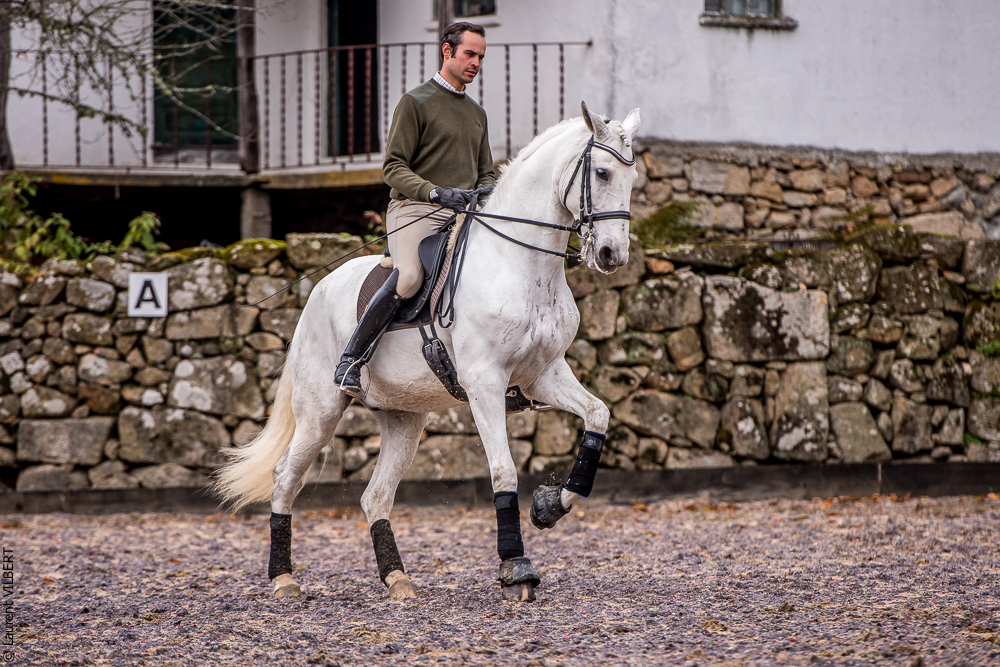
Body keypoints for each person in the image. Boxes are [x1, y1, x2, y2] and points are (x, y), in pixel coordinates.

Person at [335, 21, 496, 398]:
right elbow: (392, 168)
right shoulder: (416, 102)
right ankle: (351, 359)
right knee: (408, 277)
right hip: (415, 209)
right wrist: (436, 193)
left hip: (463, 213)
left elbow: (486, 171)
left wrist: (486, 191)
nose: (475, 63)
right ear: (447, 51)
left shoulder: (477, 113)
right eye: (469, 54)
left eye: (481, 57)